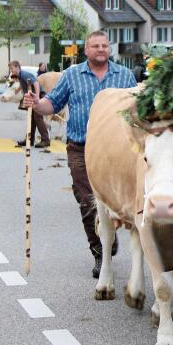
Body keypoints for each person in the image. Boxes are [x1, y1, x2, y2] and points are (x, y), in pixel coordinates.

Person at [22, 30, 137, 277]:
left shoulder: (125, 76)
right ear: (86, 50)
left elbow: (138, 109)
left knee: (117, 201)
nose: (100, 50)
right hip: (81, 148)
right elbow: (52, 104)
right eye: (95, 46)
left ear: (110, 49)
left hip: (118, 151)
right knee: (87, 201)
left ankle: (109, 231)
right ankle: (99, 253)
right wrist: (36, 104)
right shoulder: (72, 75)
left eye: (104, 45)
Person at [8, 60, 51, 148]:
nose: (11, 70)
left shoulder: (24, 74)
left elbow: (36, 83)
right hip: (32, 97)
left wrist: (37, 97)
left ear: (17, 67)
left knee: (37, 118)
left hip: (37, 97)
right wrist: (18, 90)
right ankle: (29, 140)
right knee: (31, 119)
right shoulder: (20, 76)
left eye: (12, 68)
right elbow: (24, 83)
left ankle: (45, 140)